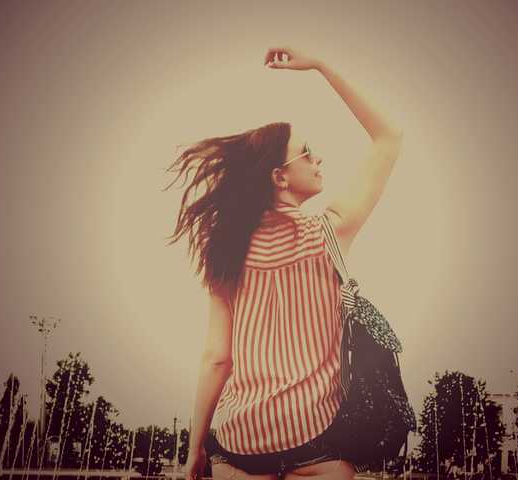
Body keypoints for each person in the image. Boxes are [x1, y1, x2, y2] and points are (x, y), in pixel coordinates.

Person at [165, 46, 404, 480]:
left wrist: (195, 448)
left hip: (239, 444)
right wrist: (322, 65)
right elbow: (389, 137)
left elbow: (217, 358)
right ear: (280, 177)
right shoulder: (328, 232)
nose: (318, 159)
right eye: (307, 153)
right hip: (315, 439)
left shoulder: (224, 254)